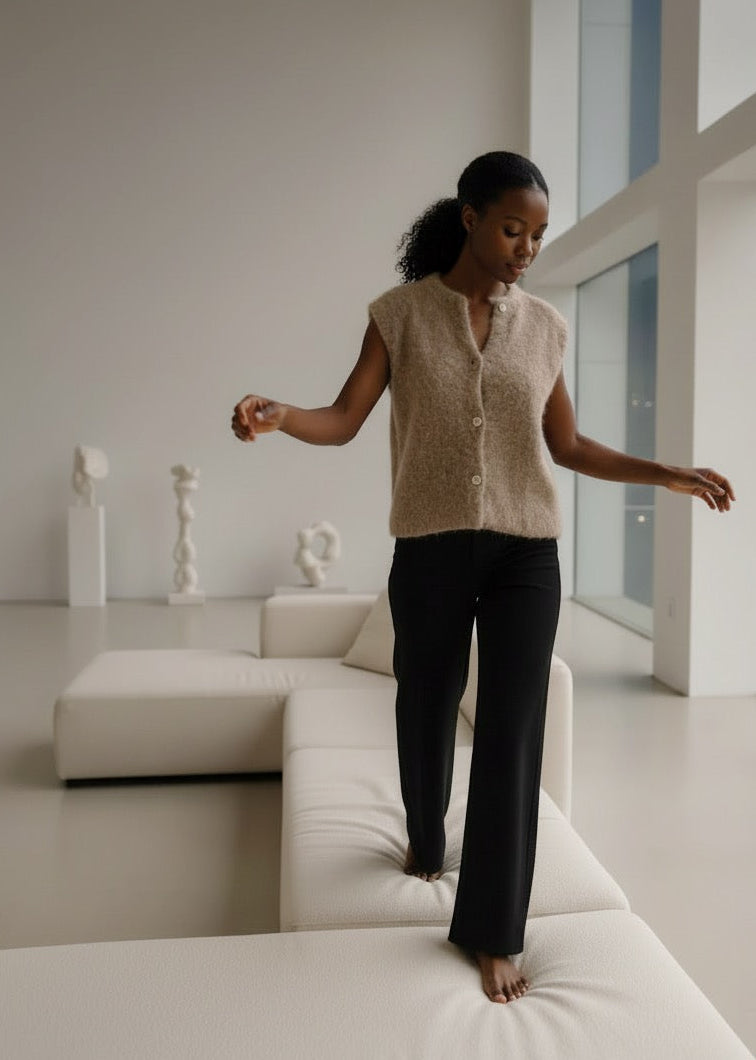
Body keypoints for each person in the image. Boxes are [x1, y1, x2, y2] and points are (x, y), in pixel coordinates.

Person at [231, 150, 735, 1005]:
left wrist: (667, 474)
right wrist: (280, 416)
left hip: (525, 553)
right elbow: (345, 417)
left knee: (512, 731)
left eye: (538, 235)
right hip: (428, 544)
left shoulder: (544, 327)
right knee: (424, 704)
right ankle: (425, 839)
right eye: (513, 228)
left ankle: (495, 931)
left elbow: (567, 447)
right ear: (469, 217)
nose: (526, 248)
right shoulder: (398, 315)